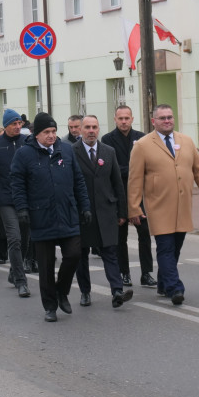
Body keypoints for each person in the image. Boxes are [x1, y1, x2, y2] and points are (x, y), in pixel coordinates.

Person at [127, 104, 199, 305]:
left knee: (176, 248)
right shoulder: (142, 145)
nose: (167, 121)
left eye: (169, 117)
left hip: (182, 206)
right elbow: (134, 179)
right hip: (158, 206)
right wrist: (134, 207)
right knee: (165, 248)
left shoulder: (185, 141)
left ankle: (163, 283)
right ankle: (175, 288)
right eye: (162, 118)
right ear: (154, 121)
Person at [11, 112, 90, 322]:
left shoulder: (66, 150)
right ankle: (50, 306)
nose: (51, 136)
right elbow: (17, 184)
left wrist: (85, 207)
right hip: (40, 215)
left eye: (54, 131)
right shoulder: (24, 154)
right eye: (47, 132)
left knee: (74, 254)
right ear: (37, 134)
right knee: (45, 265)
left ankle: (61, 291)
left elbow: (78, 181)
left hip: (67, 212)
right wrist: (22, 209)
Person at [73, 115, 133, 308]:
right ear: (81, 129)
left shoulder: (108, 152)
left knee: (110, 251)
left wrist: (122, 212)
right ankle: (85, 292)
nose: (91, 131)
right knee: (81, 255)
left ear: (99, 129)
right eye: (88, 127)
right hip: (83, 213)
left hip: (106, 211)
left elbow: (117, 183)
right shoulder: (71, 152)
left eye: (95, 127)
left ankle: (116, 291)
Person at [101, 105, 154, 288]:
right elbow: (110, 168)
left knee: (144, 233)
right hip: (118, 194)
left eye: (127, 118)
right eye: (120, 118)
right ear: (115, 119)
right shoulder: (107, 140)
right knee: (120, 236)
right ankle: (124, 273)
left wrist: (130, 170)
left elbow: (148, 166)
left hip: (139, 194)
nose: (124, 122)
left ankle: (146, 273)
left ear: (132, 119)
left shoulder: (142, 138)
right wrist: (133, 170)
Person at [0, 109, 34, 297]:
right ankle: (21, 282)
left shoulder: (27, 142)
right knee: (14, 238)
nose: (18, 127)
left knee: (26, 239)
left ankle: (14, 271)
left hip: (26, 199)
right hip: (5, 199)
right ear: (5, 125)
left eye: (19, 123)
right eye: (14, 124)